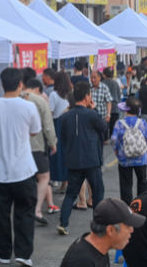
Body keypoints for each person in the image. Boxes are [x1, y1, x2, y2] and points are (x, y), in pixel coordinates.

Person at [0, 68, 41, 266]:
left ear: (1, 84)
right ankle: (23, 254)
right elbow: (34, 132)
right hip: (24, 169)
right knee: (25, 212)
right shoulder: (28, 107)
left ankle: (4, 254)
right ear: (21, 84)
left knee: (1, 215)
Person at [58, 82, 106, 236]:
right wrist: (95, 109)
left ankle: (63, 223)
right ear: (87, 97)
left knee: (71, 193)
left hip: (73, 160)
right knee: (98, 192)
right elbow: (104, 129)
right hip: (92, 160)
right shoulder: (92, 114)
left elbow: (63, 138)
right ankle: (98, 225)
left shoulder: (65, 117)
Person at [60, 198, 146, 267]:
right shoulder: (82, 261)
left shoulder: (99, 248)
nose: (132, 230)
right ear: (110, 230)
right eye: (128, 226)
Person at [21, 78, 59, 226]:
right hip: (36, 146)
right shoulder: (40, 101)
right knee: (44, 177)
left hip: (17, 148)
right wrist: (53, 143)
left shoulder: (11, 100)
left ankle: (23, 208)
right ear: (37, 89)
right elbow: (47, 126)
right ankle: (36, 210)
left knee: (24, 178)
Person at [112, 97, 147, 205]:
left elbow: (114, 140)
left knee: (126, 184)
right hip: (141, 157)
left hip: (125, 158)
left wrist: (116, 151)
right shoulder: (142, 122)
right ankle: (141, 205)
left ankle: (127, 209)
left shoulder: (119, 123)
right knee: (142, 181)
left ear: (126, 110)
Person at [49, 72, 71, 195]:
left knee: (58, 153)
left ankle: (60, 179)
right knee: (67, 152)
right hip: (68, 124)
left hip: (57, 125)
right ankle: (66, 182)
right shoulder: (69, 94)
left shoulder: (53, 95)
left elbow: (50, 112)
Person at [102, 68, 121, 141]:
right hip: (115, 107)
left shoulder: (102, 83)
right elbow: (119, 95)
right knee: (114, 124)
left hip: (106, 107)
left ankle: (106, 138)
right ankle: (113, 138)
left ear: (104, 75)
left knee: (106, 124)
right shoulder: (115, 83)